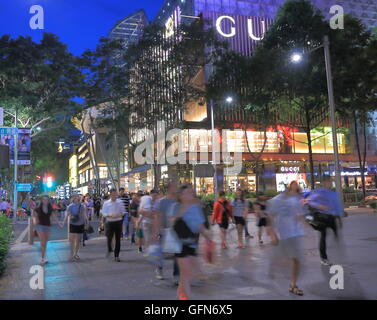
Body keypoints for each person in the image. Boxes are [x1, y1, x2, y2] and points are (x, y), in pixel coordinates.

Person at [168, 184, 213, 300]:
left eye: (191, 193)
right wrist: (184, 209)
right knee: (186, 272)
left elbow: (200, 226)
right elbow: (172, 222)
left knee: (191, 273)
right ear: (181, 195)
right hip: (179, 243)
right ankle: (186, 296)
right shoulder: (175, 207)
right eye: (188, 193)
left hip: (192, 242)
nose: (190, 195)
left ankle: (181, 289)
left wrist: (209, 237)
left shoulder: (196, 208)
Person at [266, 180, 306, 296]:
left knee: (296, 260)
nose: (295, 189)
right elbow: (270, 215)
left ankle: (293, 285)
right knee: (283, 259)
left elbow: (300, 215)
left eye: (297, 188)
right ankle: (274, 267)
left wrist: (305, 226)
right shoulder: (278, 199)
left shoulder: (296, 200)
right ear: (288, 188)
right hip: (282, 235)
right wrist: (272, 232)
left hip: (294, 234)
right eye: (293, 187)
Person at [306, 177, 344, 266]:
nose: (330, 184)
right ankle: (324, 258)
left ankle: (336, 253)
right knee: (323, 236)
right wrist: (319, 206)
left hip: (332, 217)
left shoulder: (334, 194)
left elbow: (337, 207)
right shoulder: (319, 192)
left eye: (331, 182)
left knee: (336, 235)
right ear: (324, 183)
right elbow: (310, 201)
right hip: (322, 217)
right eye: (328, 182)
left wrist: (339, 218)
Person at [154, 181, 178, 281]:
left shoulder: (178, 201)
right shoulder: (161, 201)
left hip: (175, 230)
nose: (175, 188)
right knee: (162, 251)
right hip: (164, 229)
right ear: (169, 189)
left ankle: (176, 274)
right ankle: (159, 269)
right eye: (174, 187)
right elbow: (157, 217)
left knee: (177, 252)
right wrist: (157, 230)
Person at [61, 194, 88, 261]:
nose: (76, 198)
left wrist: (86, 222)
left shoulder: (82, 206)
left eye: (77, 197)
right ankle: (72, 253)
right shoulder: (70, 206)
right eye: (75, 197)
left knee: (78, 240)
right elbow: (67, 215)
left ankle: (75, 254)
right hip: (72, 224)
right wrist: (63, 223)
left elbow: (84, 214)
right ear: (72, 198)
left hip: (80, 223)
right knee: (71, 240)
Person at [32, 196, 58, 265]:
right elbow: (34, 216)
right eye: (44, 200)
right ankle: (42, 258)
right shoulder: (38, 208)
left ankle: (43, 256)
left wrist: (60, 223)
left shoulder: (50, 208)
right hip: (40, 226)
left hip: (48, 226)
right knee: (43, 242)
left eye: (47, 200)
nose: (45, 201)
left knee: (45, 243)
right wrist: (35, 221)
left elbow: (54, 216)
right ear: (42, 201)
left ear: (48, 201)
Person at [101, 189, 125, 262]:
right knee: (109, 237)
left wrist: (119, 214)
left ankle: (116, 256)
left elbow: (123, 211)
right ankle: (109, 248)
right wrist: (109, 215)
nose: (114, 196)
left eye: (115, 194)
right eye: (113, 194)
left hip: (118, 221)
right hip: (110, 222)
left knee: (118, 239)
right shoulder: (106, 203)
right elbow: (103, 213)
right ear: (110, 195)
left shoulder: (120, 202)